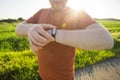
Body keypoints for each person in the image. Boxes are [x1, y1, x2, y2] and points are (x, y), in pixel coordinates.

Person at [15, 0, 114, 80]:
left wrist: (52, 34)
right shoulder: (41, 12)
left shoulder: (77, 14)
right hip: (41, 76)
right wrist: (31, 29)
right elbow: (18, 28)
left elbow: (106, 40)